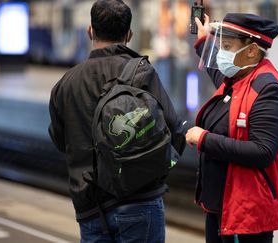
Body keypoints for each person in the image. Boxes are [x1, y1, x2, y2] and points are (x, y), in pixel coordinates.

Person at [48, 1, 185, 242]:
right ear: (129, 34)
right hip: (140, 202)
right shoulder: (142, 74)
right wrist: (157, 172)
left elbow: (61, 141)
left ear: (90, 30)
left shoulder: (67, 83)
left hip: (91, 208)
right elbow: (174, 132)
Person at [185, 13, 278, 243]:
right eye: (221, 46)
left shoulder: (268, 90)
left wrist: (204, 139)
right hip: (222, 209)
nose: (222, 53)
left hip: (245, 215)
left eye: (227, 46)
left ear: (251, 51)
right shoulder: (238, 78)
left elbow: (262, 151)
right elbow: (217, 72)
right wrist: (204, 42)